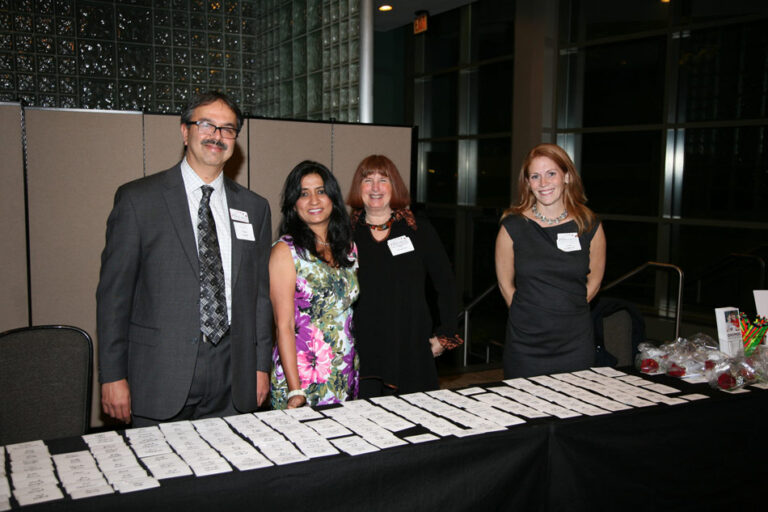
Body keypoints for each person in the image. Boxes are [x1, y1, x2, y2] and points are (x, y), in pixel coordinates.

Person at [97, 91, 273, 426]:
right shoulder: (139, 200)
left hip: (233, 374)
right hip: (160, 372)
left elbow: (260, 297)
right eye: (206, 124)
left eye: (228, 128)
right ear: (184, 131)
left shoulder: (254, 208)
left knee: (230, 475)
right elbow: (114, 296)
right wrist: (112, 375)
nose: (217, 136)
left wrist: (260, 365)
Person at [347, 155, 463, 398]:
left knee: (415, 426)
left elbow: (446, 284)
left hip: (410, 347)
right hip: (361, 351)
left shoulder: (418, 230)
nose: (375, 188)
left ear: (395, 186)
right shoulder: (344, 233)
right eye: (368, 180)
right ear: (359, 187)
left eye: (383, 180)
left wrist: (445, 334)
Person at [495, 143, 606, 378]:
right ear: (528, 183)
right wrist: (529, 314)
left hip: (575, 341)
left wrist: (565, 310)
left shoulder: (588, 224)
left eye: (551, 174)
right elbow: (505, 285)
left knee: (575, 411)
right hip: (526, 344)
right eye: (535, 176)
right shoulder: (512, 226)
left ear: (566, 176)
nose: (543, 183)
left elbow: (595, 281)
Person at [270, 161, 360, 409]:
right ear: (293, 203)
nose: (314, 201)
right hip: (303, 375)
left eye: (320, 191)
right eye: (303, 194)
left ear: (332, 197)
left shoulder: (348, 248)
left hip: (345, 370)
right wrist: (294, 389)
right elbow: (284, 326)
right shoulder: (285, 251)